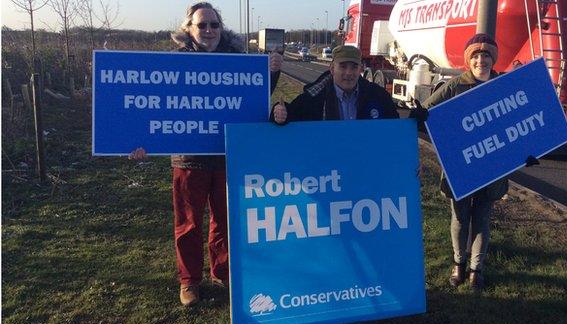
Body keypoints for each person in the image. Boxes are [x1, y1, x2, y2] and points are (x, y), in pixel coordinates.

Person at [130, 2, 282, 306]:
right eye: (202, 25)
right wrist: (139, 140)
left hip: (228, 155)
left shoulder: (238, 61)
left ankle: (223, 272)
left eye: (214, 24)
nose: (209, 31)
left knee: (225, 220)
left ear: (221, 28)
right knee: (188, 223)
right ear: (188, 29)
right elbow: (152, 105)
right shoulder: (174, 64)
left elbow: (253, 101)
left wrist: (273, 75)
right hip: (189, 157)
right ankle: (189, 281)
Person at [420, 33, 508, 291]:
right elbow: (425, 112)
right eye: (476, 56)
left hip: (492, 167)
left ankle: (475, 269)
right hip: (460, 166)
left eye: (486, 56)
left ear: (493, 59)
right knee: (460, 218)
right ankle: (458, 263)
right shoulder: (454, 86)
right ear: (469, 60)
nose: (481, 60)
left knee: (482, 217)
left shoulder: (504, 85)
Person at [271, 45, 400, 123]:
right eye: (343, 67)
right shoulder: (314, 97)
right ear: (332, 69)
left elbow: (396, 128)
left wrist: (414, 120)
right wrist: (281, 113)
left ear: (360, 70)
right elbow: (288, 116)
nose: (349, 73)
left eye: (354, 67)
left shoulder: (379, 96)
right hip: (329, 166)